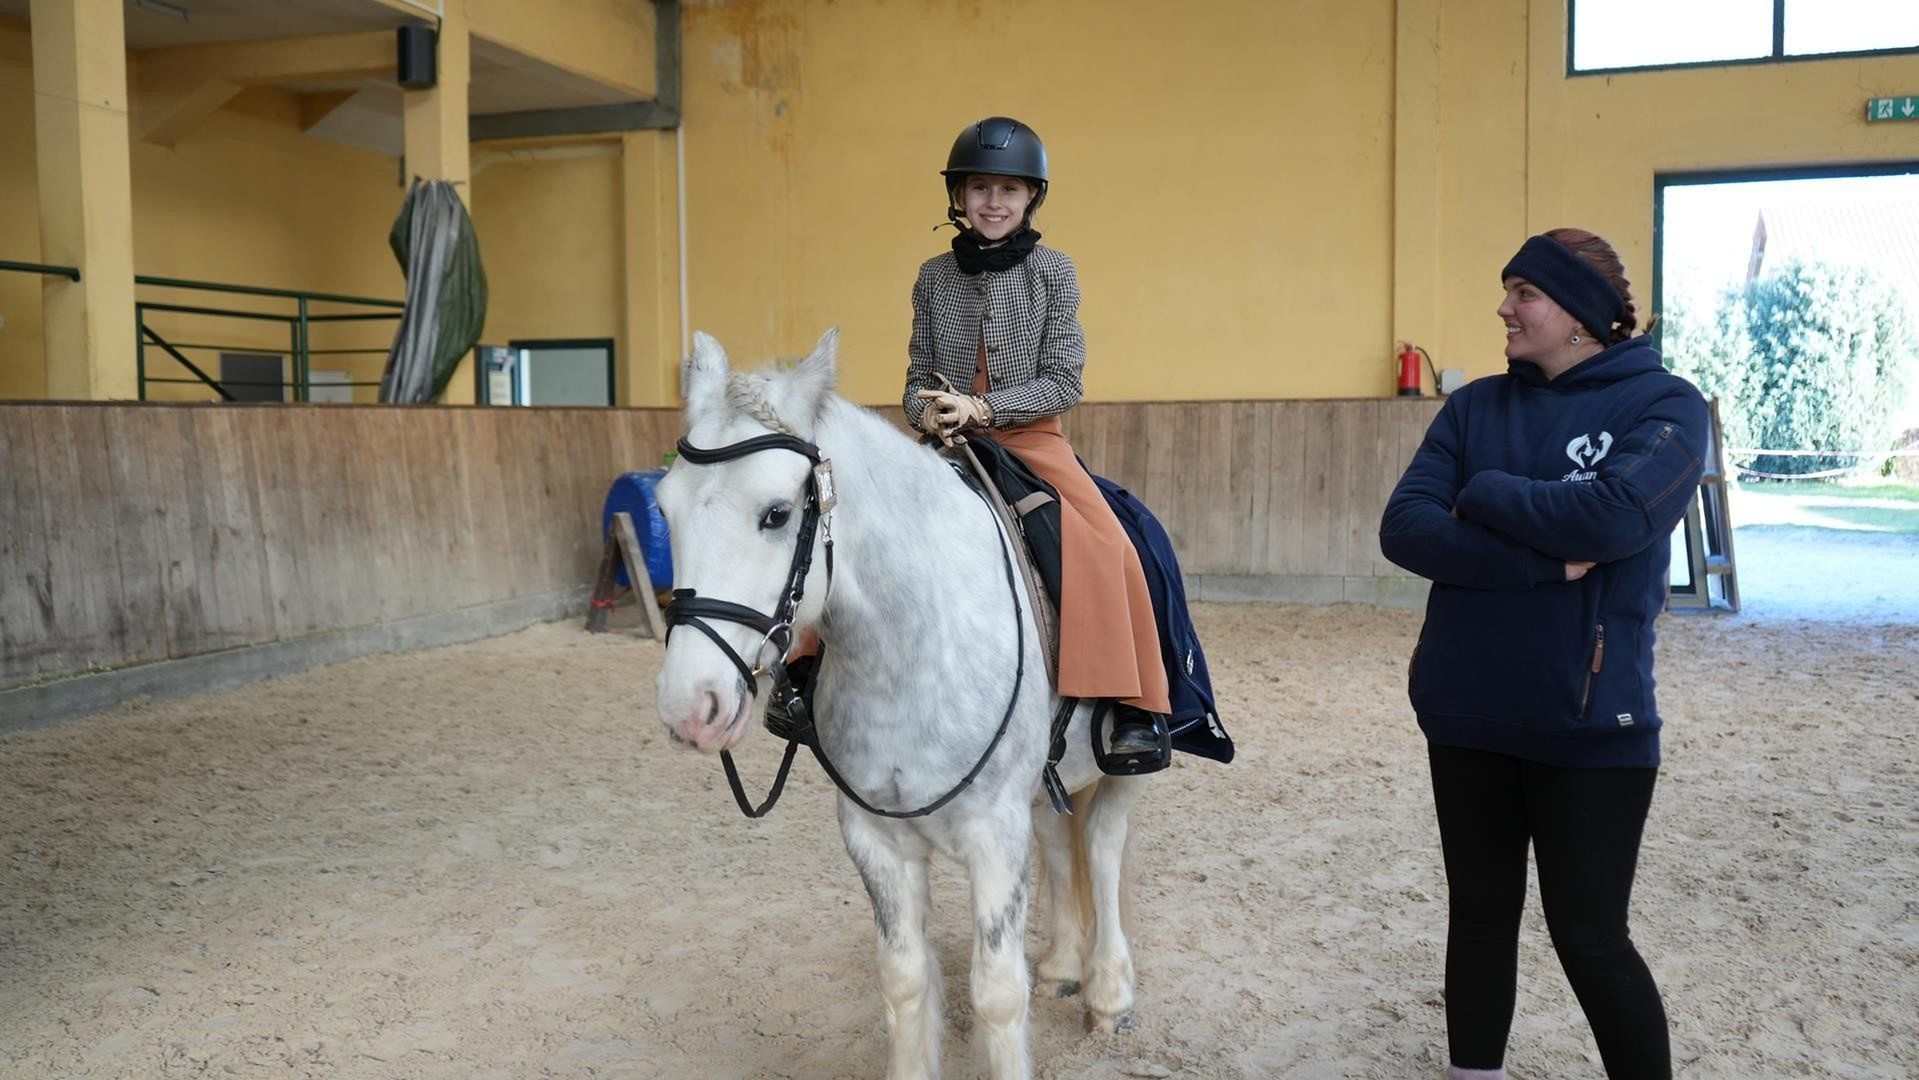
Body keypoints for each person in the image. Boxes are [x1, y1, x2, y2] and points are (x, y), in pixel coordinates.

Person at [1379, 228, 1707, 1079]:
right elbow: (1405, 528)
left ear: (1580, 315)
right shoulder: (1473, 407)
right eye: (1507, 289)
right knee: (1479, 917)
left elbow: (1612, 518)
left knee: (1590, 938)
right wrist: (1535, 561)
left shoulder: (1665, 408)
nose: (1503, 307)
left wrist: (1482, 493)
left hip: (1592, 724)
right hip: (1465, 709)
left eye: (1523, 292)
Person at [906, 116, 1169, 764]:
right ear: (959, 198)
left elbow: (1062, 381)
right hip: (947, 445)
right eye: (980, 189)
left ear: (1030, 199)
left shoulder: (1054, 272)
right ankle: (804, 677)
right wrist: (927, 412)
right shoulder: (933, 277)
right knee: (851, 524)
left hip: (1029, 439)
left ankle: (1135, 709)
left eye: (1008, 191)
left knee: (1108, 543)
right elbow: (915, 375)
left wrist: (984, 405)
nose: (993, 203)